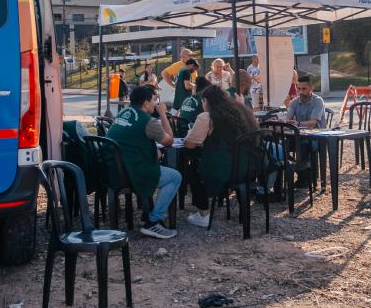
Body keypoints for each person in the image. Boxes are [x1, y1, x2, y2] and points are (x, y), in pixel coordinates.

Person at [104, 85, 181, 239]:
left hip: (112, 170)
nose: (156, 103)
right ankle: (153, 221)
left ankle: (150, 215)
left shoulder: (123, 113)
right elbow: (169, 141)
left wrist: (152, 151)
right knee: (175, 176)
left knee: (159, 160)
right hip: (131, 173)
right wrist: (163, 114)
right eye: (154, 100)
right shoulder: (148, 121)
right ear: (146, 103)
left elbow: (132, 140)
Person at [182, 84, 259, 228]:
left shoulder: (207, 117)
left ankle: (203, 214)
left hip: (223, 170)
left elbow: (190, 144)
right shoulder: (243, 113)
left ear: (205, 101)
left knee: (192, 170)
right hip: (248, 168)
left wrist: (189, 134)